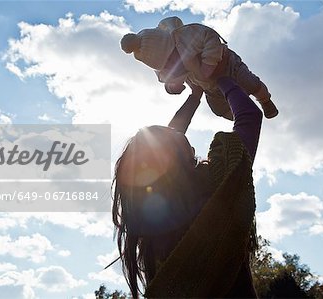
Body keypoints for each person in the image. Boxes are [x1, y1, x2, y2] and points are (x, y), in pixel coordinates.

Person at [112, 76, 262, 298]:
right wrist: (221, 77)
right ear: (175, 154)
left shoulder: (153, 224)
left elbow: (165, 145)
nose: (177, 131)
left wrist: (195, 97)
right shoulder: (217, 183)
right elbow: (250, 116)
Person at [120, 16, 278, 121]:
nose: (172, 63)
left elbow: (211, 37)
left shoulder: (187, 36)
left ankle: (265, 100)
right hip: (210, 87)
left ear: (172, 42)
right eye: (167, 64)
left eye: (172, 57)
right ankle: (241, 118)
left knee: (251, 83)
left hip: (228, 66)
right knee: (218, 109)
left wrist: (208, 63)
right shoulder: (167, 68)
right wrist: (172, 86)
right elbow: (165, 80)